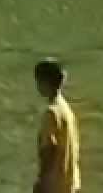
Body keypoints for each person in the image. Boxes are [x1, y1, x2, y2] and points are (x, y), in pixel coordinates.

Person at [34, 58, 81, 193]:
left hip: (54, 185)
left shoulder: (51, 113)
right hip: (70, 182)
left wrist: (41, 182)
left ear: (45, 82)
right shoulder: (66, 109)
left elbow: (48, 150)